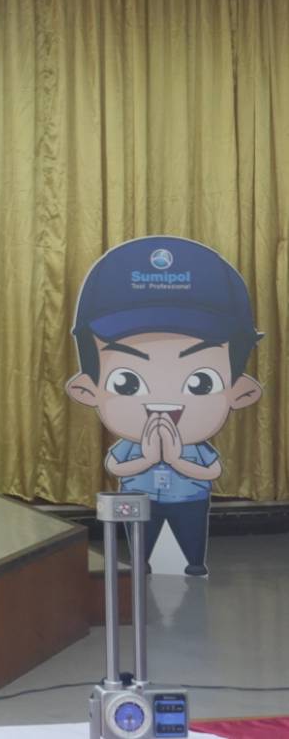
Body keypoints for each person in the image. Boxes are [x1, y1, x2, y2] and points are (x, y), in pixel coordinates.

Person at [64, 236, 264, 576]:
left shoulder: (195, 448)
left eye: (202, 382)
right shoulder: (132, 445)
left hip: (191, 500)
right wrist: (146, 458)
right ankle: (140, 564)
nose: (163, 401)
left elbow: (213, 471)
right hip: (141, 500)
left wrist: (175, 460)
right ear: (86, 390)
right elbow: (115, 465)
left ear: (240, 392)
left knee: (192, 539)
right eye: (126, 382)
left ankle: (194, 564)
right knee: (142, 541)